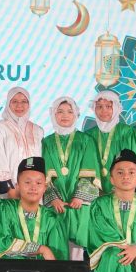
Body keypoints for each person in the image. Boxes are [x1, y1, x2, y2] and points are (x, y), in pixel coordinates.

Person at [41, 95, 101, 251]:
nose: (65, 115)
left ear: (76, 114)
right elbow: (43, 175)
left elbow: (90, 171)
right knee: (55, 242)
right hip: (56, 203)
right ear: (53, 114)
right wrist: (53, 199)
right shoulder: (46, 142)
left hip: (78, 203)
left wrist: (80, 196)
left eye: (69, 111)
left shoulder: (86, 140)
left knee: (77, 249)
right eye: (60, 111)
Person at [0, 157, 69, 260]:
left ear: (45, 188)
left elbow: (59, 259)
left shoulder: (51, 219)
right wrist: (41, 249)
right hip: (8, 270)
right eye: (27, 182)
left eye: (38, 183)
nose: (33, 187)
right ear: (17, 186)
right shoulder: (3, 209)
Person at [86, 90, 136, 195]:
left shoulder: (127, 132)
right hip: (94, 190)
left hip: (121, 187)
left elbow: (132, 163)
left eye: (108, 106)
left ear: (116, 108)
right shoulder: (88, 135)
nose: (103, 110)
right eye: (99, 107)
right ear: (94, 109)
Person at [0, 87, 44, 200]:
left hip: (33, 190)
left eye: (24, 101)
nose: (19, 105)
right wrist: (9, 189)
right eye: (14, 101)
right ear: (8, 104)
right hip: (9, 191)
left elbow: (40, 161)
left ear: (29, 104)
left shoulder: (38, 130)